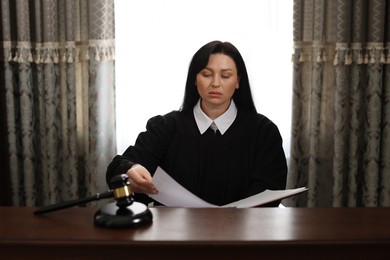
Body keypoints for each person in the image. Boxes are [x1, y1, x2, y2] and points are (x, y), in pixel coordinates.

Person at [106, 40, 287, 207]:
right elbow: (120, 166)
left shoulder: (264, 132)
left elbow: (268, 193)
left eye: (225, 76)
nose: (215, 83)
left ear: (238, 81)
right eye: (207, 74)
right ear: (194, 79)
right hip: (174, 235)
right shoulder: (165, 127)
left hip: (242, 235)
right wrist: (132, 169)